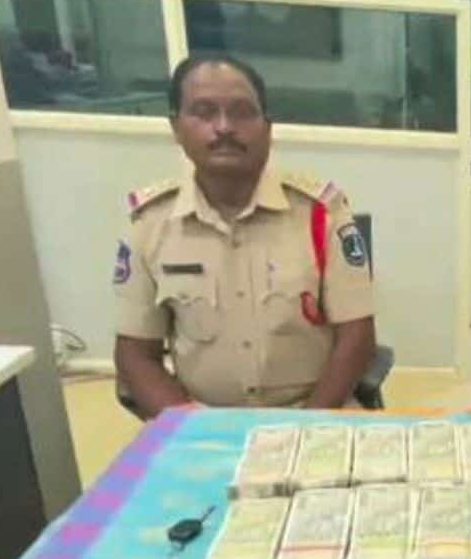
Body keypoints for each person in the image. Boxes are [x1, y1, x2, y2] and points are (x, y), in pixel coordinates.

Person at [114, 54, 376, 418]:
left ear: (267, 128)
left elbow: (357, 338)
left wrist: (304, 427)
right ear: (176, 128)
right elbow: (135, 353)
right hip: (201, 421)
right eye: (204, 112)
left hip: (312, 413)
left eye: (241, 112)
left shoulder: (322, 215)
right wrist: (193, 430)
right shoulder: (150, 224)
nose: (224, 127)